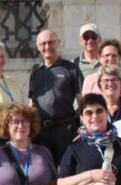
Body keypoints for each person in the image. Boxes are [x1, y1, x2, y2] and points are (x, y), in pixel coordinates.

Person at [29, 28, 83, 165]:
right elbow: (32, 103)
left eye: (50, 42)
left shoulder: (71, 68)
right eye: (43, 44)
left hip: (64, 129)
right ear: (38, 47)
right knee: (44, 171)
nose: (47, 47)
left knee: (67, 169)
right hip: (41, 131)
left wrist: (82, 126)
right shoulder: (36, 71)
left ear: (58, 43)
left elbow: (81, 100)